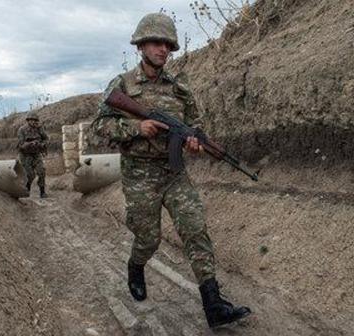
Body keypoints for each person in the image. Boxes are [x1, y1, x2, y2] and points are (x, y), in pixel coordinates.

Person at [92, 13, 251, 328]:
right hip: (139, 175)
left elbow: (196, 126)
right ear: (141, 45)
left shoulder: (181, 89)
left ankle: (214, 305)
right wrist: (138, 127)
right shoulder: (122, 85)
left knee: (195, 229)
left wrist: (194, 141)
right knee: (148, 239)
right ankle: (136, 267)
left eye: (167, 44)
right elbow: (100, 126)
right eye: (155, 42)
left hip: (174, 173)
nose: (162, 49)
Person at [17, 111, 49, 198]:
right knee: (30, 175)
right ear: (28, 121)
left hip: (36, 154)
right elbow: (21, 144)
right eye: (32, 120)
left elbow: (46, 139)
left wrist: (42, 144)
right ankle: (26, 190)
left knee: (41, 171)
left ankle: (42, 192)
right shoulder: (22, 130)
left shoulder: (39, 129)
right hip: (25, 155)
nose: (34, 122)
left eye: (35, 120)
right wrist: (31, 143)